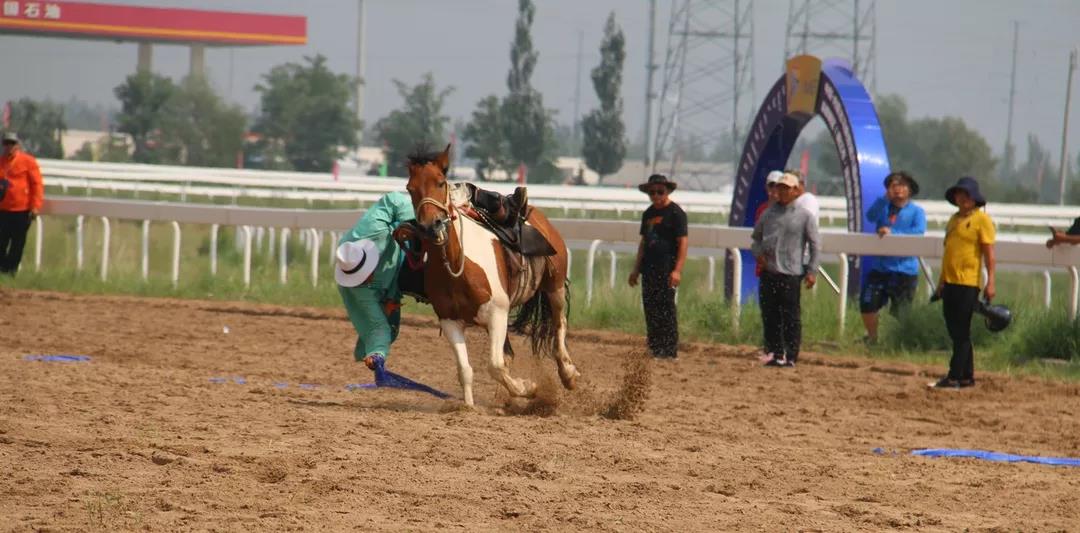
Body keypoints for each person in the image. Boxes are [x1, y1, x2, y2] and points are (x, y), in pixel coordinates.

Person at [336, 191, 420, 370]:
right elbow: (377, 323)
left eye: (364, 274)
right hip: (393, 282)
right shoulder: (358, 289)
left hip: (406, 244)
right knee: (388, 325)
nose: (363, 280)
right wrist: (378, 354)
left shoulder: (373, 228)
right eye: (359, 278)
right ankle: (372, 350)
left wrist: (411, 226)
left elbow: (393, 199)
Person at [932, 176, 996, 389]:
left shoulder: (981, 220)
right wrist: (941, 282)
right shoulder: (953, 220)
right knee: (955, 330)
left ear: (974, 197)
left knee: (960, 331)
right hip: (949, 281)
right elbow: (948, 253)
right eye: (959, 194)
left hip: (968, 282)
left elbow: (989, 254)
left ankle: (954, 375)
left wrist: (991, 281)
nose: (962, 198)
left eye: (966, 194)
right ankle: (967, 376)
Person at [751, 172, 819, 367]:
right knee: (770, 314)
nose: (781, 191)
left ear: (796, 190)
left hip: (791, 274)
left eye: (786, 188)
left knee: (790, 316)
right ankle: (774, 352)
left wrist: (812, 271)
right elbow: (755, 239)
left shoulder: (805, 215)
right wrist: (759, 256)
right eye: (779, 187)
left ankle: (790, 355)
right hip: (769, 272)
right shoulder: (768, 213)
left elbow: (815, 244)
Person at [860, 171, 927, 343]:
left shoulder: (917, 212)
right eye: (893, 185)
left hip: (905, 269)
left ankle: (900, 342)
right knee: (868, 303)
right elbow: (870, 216)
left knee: (900, 311)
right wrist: (883, 199)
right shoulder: (882, 207)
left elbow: (918, 232)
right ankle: (872, 338)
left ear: (909, 190)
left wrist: (893, 232)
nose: (898, 189)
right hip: (880, 267)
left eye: (902, 185)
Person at [628, 174, 688, 359]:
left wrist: (677, 270)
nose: (656, 196)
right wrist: (636, 269)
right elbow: (644, 242)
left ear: (667, 191)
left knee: (666, 308)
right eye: (652, 192)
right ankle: (655, 347)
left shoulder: (676, 213)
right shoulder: (648, 214)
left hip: (667, 269)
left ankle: (669, 349)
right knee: (651, 308)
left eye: (660, 192)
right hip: (649, 269)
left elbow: (683, 243)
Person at [0, 132, 43, 275]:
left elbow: (37, 185)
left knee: (17, 244)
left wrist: (35, 206)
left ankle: (10, 271)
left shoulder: (28, 162)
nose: (8, 147)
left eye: (12, 143)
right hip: (3, 210)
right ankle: (3, 269)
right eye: (6, 143)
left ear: (17, 145)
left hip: (21, 210)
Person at [754, 171, 784, 278]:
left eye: (778, 186)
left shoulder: (789, 210)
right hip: (765, 267)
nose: (774, 189)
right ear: (767, 187)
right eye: (772, 185)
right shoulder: (761, 210)